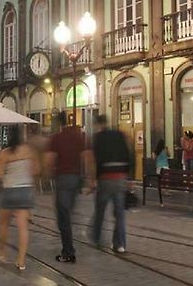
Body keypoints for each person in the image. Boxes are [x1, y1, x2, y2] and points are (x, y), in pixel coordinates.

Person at [0, 126, 40, 270]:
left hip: (9, 191)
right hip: (25, 191)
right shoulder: (29, 150)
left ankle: (1, 252)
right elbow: (36, 170)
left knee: (4, 224)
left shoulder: (4, 153)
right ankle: (21, 261)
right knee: (23, 227)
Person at [46, 111, 87, 263]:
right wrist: (87, 178)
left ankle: (68, 252)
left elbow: (50, 159)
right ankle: (68, 245)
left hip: (63, 179)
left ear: (57, 123)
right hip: (76, 179)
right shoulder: (78, 136)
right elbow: (85, 156)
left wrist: (48, 174)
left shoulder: (56, 138)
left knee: (63, 217)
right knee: (67, 213)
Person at [89, 115, 132, 253]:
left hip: (105, 178)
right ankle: (119, 244)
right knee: (119, 213)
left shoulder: (98, 138)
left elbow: (95, 160)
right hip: (121, 177)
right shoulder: (120, 134)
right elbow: (129, 155)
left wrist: (93, 180)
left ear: (97, 124)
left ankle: (97, 238)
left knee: (100, 210)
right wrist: (129, 178)